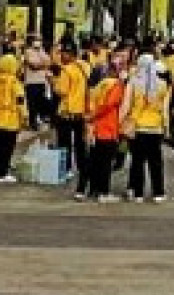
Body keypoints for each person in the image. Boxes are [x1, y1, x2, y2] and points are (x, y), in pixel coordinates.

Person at [122, 54, 170, 203]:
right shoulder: (162, 85)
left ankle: (138, 194)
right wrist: (166, 127)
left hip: (138, 128)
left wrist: (121, 122)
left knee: (137, 162)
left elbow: (126, 105)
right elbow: (165, 110)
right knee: (156, 162)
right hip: (155, 128)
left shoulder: (133, 83)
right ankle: (158, 193)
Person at [53, 41, 91, 201]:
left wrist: (52, 81)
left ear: (71, 54)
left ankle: (67, 168)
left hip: (66, 111)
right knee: (80, 143)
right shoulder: (84, 67)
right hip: (80, 111)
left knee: (64, 141)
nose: (62, 56)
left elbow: (61, 91)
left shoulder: (66, 70)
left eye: (65, 53)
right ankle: (82, 166)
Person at [86, 58, 126, 203]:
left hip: (96, 128)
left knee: (96, 160)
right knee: (105, 163)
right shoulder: (116, 85)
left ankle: (94, 190)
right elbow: (110, 104)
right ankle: (104, 192)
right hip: (108, 127)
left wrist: (91, 117)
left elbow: (91, 102)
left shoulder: (99, 85)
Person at [0, 54, 26, 184]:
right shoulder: (14, 82)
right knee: (6, 147)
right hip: (9, 119)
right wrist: (24, 116)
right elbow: (20, 101)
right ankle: (2, 173)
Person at [23, 38, 52, 131]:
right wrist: (43, 64)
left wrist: (41, 64)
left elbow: (49, 62)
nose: (38, 42)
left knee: (39, 102)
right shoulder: (28, 52)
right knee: (32, 104)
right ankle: (32, 123)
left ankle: (38, 120)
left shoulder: (42, 51)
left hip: (41, 81)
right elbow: (33, 66)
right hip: (31, 82)